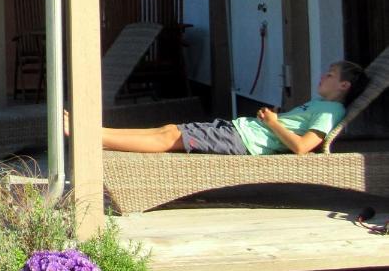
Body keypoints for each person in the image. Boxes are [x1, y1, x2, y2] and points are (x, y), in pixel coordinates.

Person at [101, 61, 367, 156]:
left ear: (344, 85)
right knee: (170, 129)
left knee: (171, 138)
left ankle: (96, 138)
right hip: (241, 130)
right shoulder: (321, 104)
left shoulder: (331, 112)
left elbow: (301, 147)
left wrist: (273, 123)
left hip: (246, 141)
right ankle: (100, 133)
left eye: (330, 75)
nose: (323, 76)